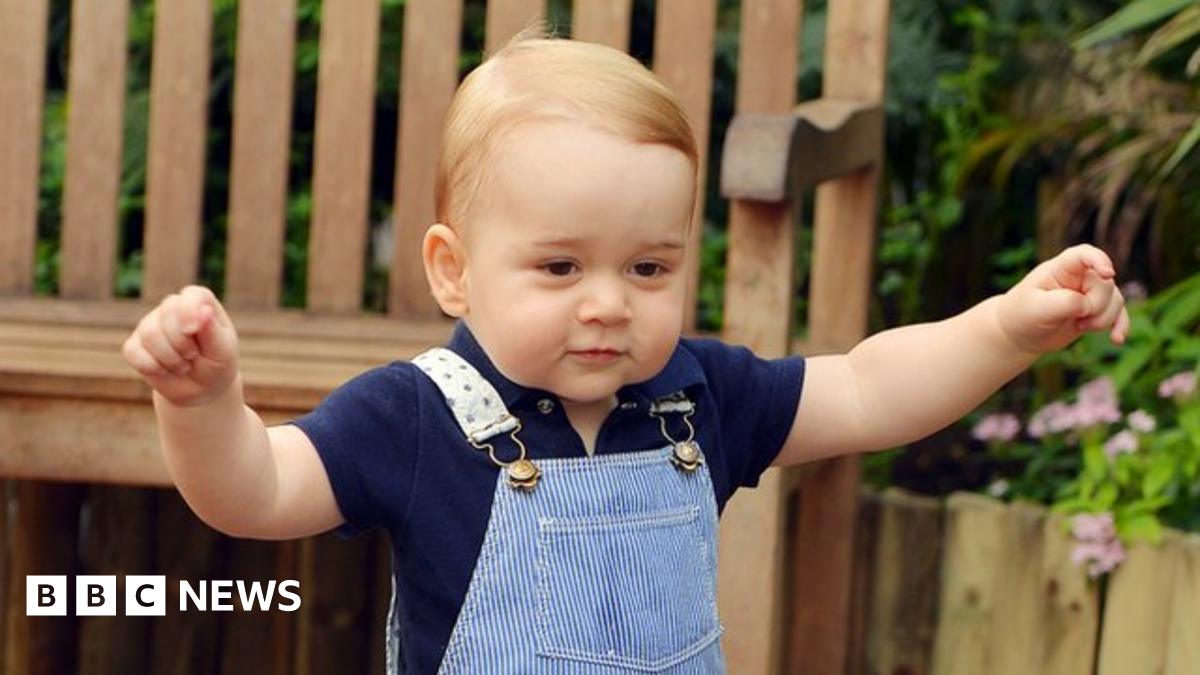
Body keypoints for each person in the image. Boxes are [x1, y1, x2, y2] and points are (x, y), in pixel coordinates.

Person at [121, 33, 1130, 675]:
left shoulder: (698, 394)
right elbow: (255, 491)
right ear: (453, 271)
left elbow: (868, 390)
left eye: (648, 268)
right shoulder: (416, 418)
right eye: (560, 267)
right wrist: (202, 404)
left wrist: (1006, 327)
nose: (608, 303)